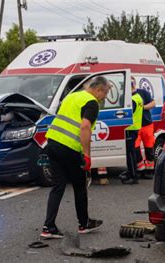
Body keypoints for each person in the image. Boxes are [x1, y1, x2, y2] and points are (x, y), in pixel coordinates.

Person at [41, 76, 110, 239]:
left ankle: (48, 227)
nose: (105, 97)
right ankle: (84, 223)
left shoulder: (72, 96)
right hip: (69, 148)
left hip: (52, 143)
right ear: (98, 89)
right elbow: (85, 126)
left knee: (58, 185)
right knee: (80, 185)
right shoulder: (91, 102)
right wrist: (87, 155)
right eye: (105, 93)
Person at [121, 80, 144, 185]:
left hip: (130, 128)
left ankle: (133, 176)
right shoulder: (138, 97)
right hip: (135, 127)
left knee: (130, 154)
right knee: (132, 153)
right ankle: (131, 172)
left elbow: (127, 115)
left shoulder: (132, 100)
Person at [132, 78, 156, 174]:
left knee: (149, 147)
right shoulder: (125, 95)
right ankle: (140, 168)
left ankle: (150, 169)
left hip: (147, 124)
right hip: (134, 126)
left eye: (132, 82)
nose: (131, 84)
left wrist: (142, 107)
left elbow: (153, 103)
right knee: (135, 147)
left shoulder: (142, 92)